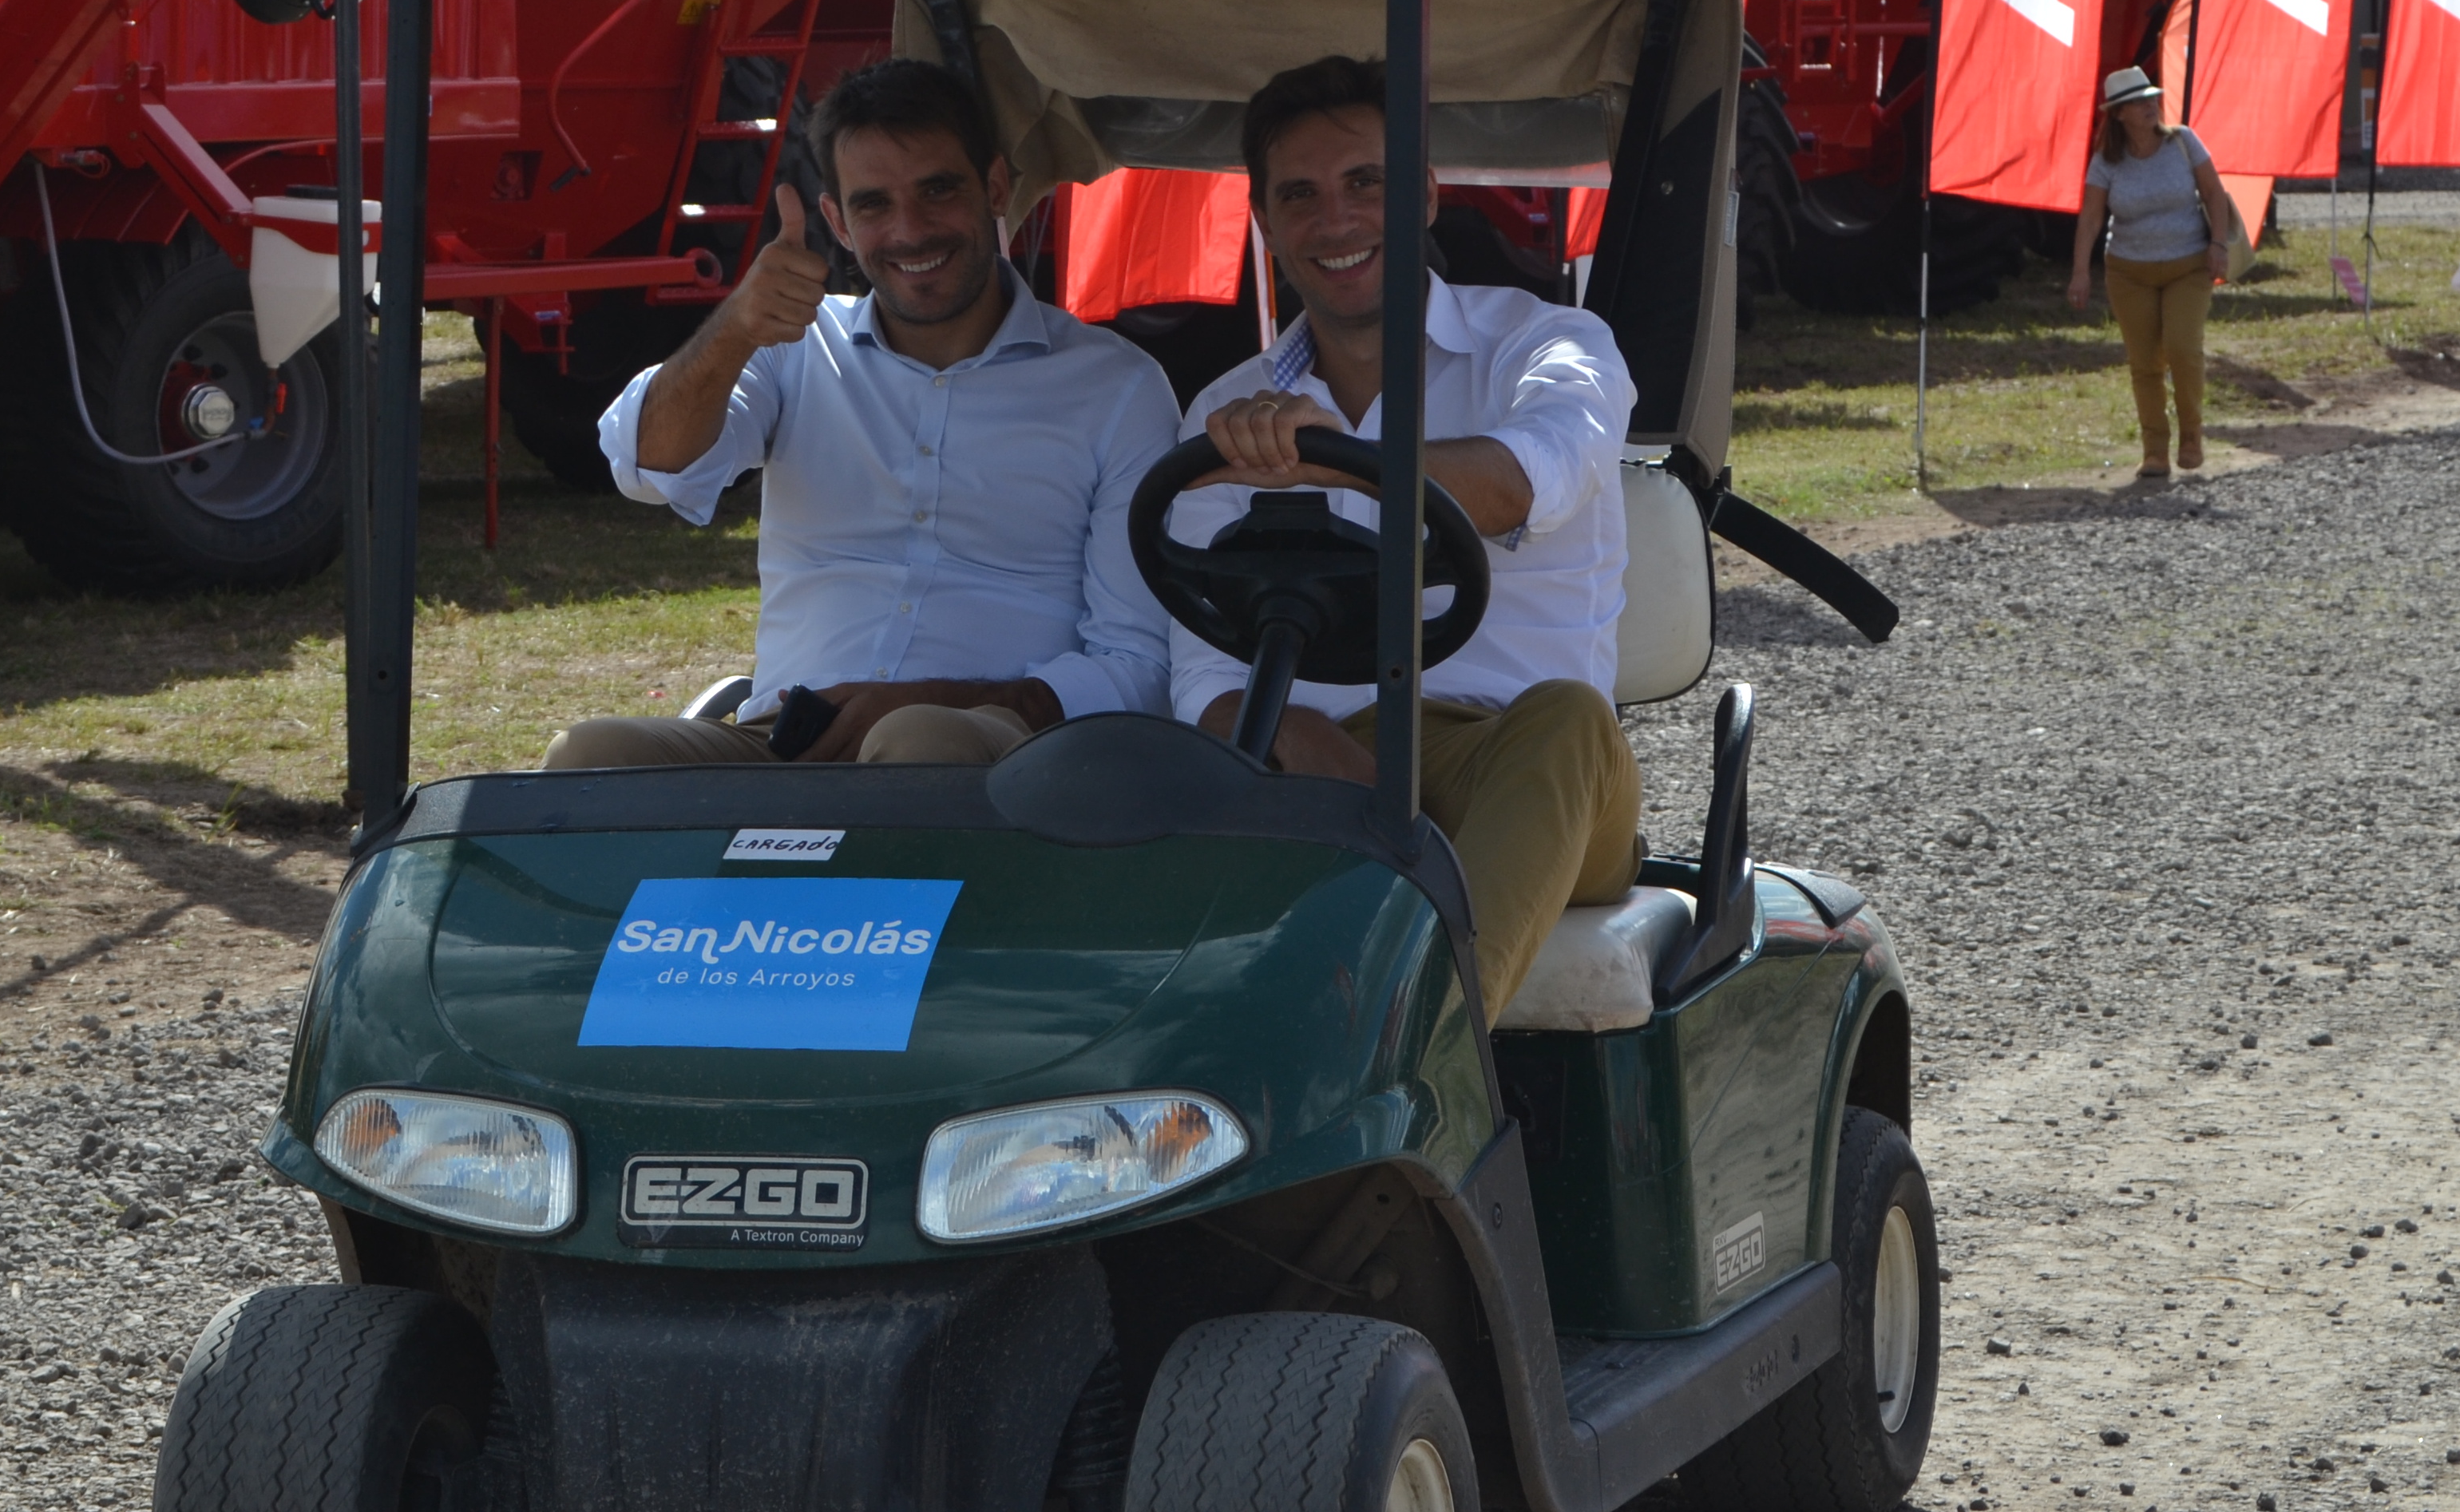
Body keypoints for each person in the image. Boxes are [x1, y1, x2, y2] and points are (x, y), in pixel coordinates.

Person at [1166, 56, 1639, 1023]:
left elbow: (1522, 480)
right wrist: (1307, 746)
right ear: (1263, 220)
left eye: (1365, 183)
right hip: (1320, 769)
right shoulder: (1223, 411)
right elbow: (1202, 676)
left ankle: (1421, 1053)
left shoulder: (1549, 345)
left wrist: (1329, 461)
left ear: (1424, 191)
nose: (1334, 222)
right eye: (1299, 194)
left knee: (1568, 723)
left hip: (1519, 770)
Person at [542, 57, 1179, 769]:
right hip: (784, 738)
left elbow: (1137, 661)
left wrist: (946, 701)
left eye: (938, 191)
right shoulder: (792, 345)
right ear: (837, 223)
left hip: (1002, 747)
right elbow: (651, 466)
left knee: (917, 743)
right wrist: (736, 328)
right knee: (588, 754)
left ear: (996, 187)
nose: (910, 231)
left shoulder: (1115, 386)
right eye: (875, 204)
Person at [2066, 66, 2242, 478]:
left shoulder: (2183, 141)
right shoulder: (2105, 161)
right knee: (2144, 362)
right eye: (2139, 101)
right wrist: (2080, 272)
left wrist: (2218, 244)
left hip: (2189, 265)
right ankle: (2155, 451)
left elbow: (2214, 194)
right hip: (2129, 272)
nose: (2151, 105)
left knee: (2182, 348)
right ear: (2119, 114)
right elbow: (2091, 219)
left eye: (2152, 97)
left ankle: (2192, 437)